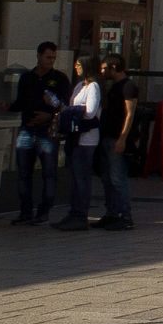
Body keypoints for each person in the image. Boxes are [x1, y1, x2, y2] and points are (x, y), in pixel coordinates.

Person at [9, 41, 69, 226]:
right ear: (38, 56)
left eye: (53, 57)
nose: (51, 61)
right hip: (27, 129)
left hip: (47, 132)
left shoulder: (59, 78)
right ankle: (25, 211)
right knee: (23, 173)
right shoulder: (27, 77)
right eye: (47, 57)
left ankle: (44, 211)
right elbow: (20, 102)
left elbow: (65, 106)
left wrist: (49, 116)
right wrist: (7, 107)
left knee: (49, 172)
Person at [52, 55, 103, 232]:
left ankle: (80, 215)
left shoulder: (94, 87)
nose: (76, 67)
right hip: (74, 137)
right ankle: (73, 212)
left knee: (82, 178)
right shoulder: (81, 86)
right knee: (74, 177)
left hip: (86, 139)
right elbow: (71, 106)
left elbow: (89, 112)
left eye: (79, 65)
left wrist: (70, 112)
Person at [94, 53, 139, 231]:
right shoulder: (113, 86)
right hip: (106, 136)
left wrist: (122, 138)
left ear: (114, 67)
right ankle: (111, 213)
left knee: (117, 178)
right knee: (107, 178)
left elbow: (130, 113)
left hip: (116, 138)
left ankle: (125, 215)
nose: (102, 71)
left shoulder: (128, 86)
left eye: (105, 68)